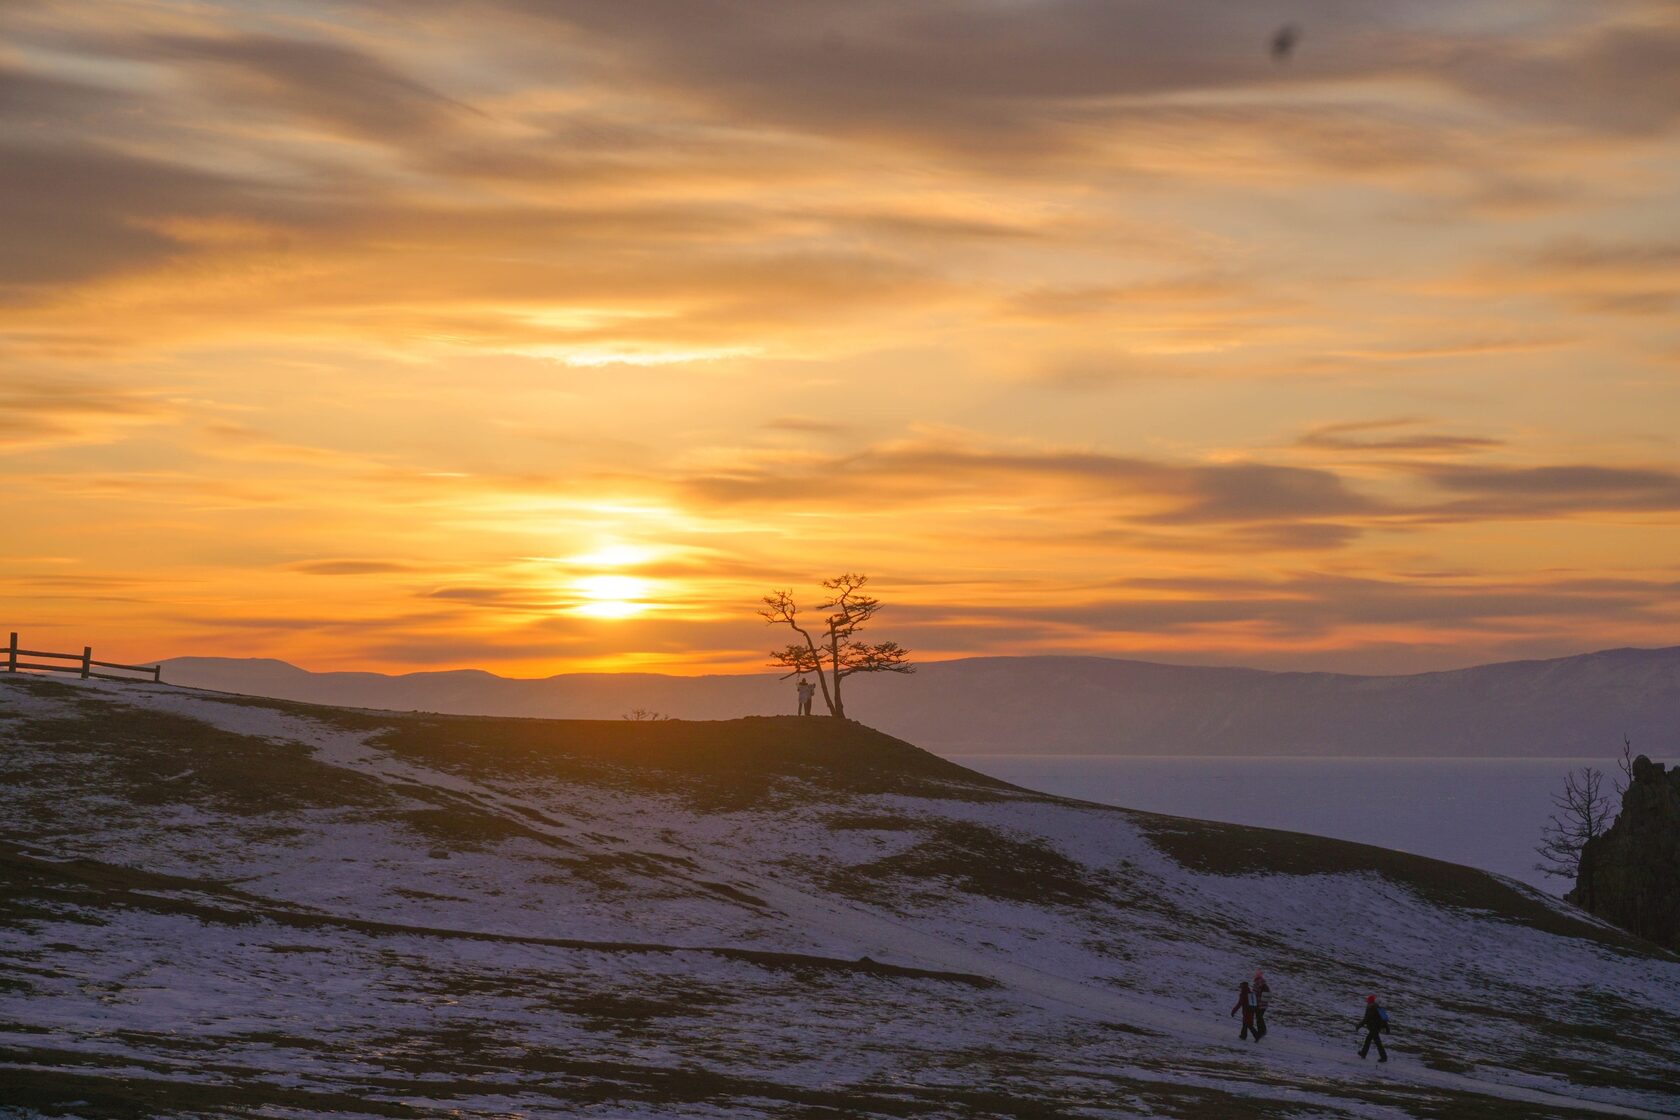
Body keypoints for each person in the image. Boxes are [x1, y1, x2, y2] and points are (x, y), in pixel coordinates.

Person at [1357, 994, 1389, 1062]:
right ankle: (1363, 1053)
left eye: (1368, 1001)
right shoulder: (1379, 1007)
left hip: (1373, 1027)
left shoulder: (1370, 1007)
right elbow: (1385, 1019)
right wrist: (1387, 1028)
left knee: (1376, 1042)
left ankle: (1384, 1057)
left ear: (1370, 1001)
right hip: (1377, 1027)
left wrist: (1359, 1025)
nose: (1367, 1002)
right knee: (1370, 1040)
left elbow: (1366, 1018)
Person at [1252, 970, 1271, 1039]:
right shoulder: (1264, 984)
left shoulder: (1257, 984)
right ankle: (1263, 1030)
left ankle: (1261, 1031)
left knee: (1258, 1018)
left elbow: (1253, 994)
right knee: (1260, 1017)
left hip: (1258, 1004)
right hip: (1264, 1004)